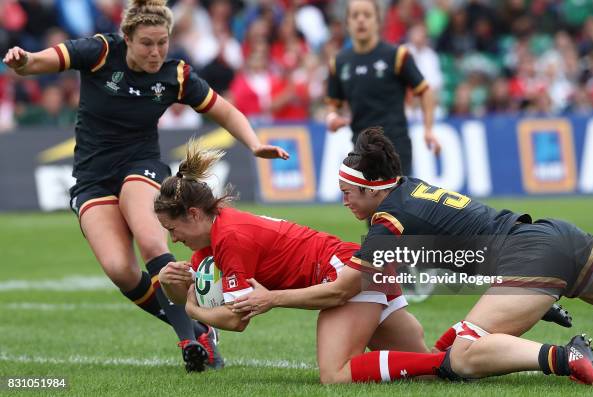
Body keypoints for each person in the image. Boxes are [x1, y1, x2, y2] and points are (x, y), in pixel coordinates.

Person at [2, 0, 288, 373]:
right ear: (127, 38)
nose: (155, 52)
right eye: (147, 44)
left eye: (162, 43)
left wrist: (253, 143)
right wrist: (23, 61)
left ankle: (192, 340)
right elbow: (38, 62)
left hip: (141, 166)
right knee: (120, 269)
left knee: (152, 242)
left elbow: (225, 110)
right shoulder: (101, 52)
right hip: (92, 177)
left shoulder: (177, 75)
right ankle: (198, 323)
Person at [233, 128, 593, 386]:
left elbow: (340, 292)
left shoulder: (389, 222)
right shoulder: (408, 189)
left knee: (462, 357)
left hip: (530, 259)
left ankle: (566, 358)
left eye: (349, 192)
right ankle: (536, 307)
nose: (343, 200)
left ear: (372, 190)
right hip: (557, 237)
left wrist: (272, 298)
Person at [153, 139, 438, 384]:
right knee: (427, 370)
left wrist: (192, 310)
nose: (173, 240)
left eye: (172, 229)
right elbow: (196, 298)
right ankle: (461, 355)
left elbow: (236, 319)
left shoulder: (229, 238)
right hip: (359, 266)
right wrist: (170, 284)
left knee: (335, 374)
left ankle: (453, 358)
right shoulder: (213, 238)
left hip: (343, 275)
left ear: (193, 214)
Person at [325, 0, 440, 177]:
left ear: (378, 21)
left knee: (395, 203)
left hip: (395, 147)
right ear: (347, 23)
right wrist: (332, 119)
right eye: (355, 16)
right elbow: (333, 105)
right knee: (367, 205)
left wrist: (428, 129)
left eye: (367, 15)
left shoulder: (397, 56)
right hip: (360, 148)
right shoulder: (338, 63)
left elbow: (425, 91)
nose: (361, 20)